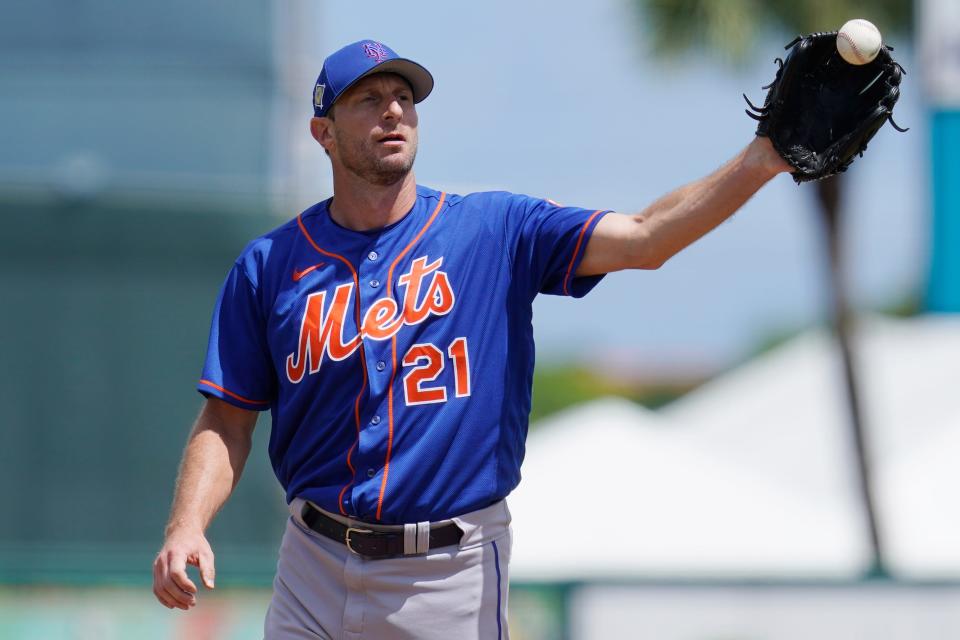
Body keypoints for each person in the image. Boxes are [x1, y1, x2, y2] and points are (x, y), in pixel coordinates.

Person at [152, 39, 791, 638]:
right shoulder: (270, 264)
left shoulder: (493, 231)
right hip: (312, 564)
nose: (394, 111)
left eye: (404, 98)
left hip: (448, 574)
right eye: (368, 100)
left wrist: (760, 160)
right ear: (323, 132)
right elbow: (227, 417)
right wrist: (187, 526)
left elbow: (647, 238)